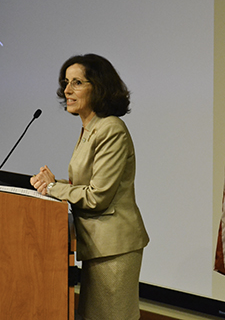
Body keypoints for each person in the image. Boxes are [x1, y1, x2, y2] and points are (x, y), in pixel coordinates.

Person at [30, 54, 149, 320]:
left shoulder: (111, 130)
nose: (67, 91)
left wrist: (53, 189)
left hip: (115, 248)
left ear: (98, 88)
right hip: (99, 245)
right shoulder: (90, 128)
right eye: (66, 82)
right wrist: (52, 184)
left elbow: (97, 197)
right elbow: (85, 185)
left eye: (77, 83)